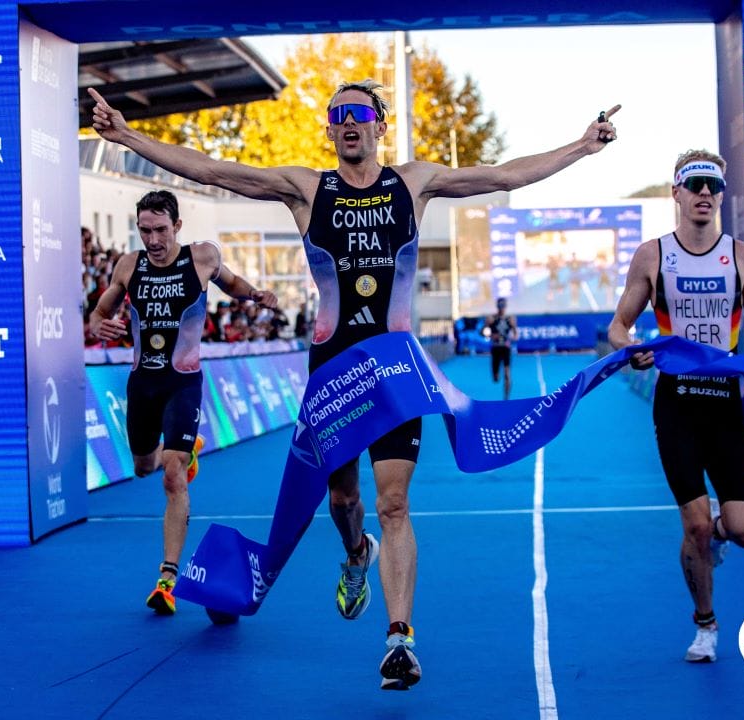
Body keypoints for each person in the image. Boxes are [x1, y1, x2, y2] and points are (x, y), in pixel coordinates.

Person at [90, 81, 619, 689]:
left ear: (379, 126)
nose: (349, 124)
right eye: (338, 116)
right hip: (333, 372)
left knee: (394, 501)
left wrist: (580, 147)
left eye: (360, 114)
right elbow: (215, 168)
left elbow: (500, 176)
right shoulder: (308, 189)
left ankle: (399, 640)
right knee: (343, 500)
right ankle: (354, 554)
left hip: (395, 370)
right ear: (329, 130)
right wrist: (126, 135)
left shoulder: (412, 183)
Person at [607, 149, 744, 664]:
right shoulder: (653, 255)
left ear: (721, 195)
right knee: (696, 525)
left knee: (742, 530)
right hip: (676, 403)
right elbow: (619, 326)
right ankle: (705, 624)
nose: (705, 193)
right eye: (695, 184)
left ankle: (719, 538)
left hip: (725, 402)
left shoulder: (742, 256)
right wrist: (630, 349)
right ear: (677, 193)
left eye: (714, 186)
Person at [87, 189, 276, 616]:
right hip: (142, 384)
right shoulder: (128, 265)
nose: (152, 240)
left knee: (172, 475)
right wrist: (102, 326)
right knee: (144, 467)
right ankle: (184, 452)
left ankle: (167, 578)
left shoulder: (202, 257)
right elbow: (99, 314)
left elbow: (231, 283)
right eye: (144, 230)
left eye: (160, 230)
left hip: (183, 381)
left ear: (177, 226)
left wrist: (257, 295)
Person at [485, 297, 518, 399]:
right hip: (495, 348)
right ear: (497, 306)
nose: (502, 308)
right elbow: (482, 332)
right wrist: (491, 335)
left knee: (507, 373)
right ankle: (495, 374)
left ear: (506, 306)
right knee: (496, 378)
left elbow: (516, 335)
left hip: (506, 348)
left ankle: (506, 399)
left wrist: (513, 337)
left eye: (503, 306)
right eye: (500, 306)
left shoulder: (510, 319)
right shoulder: (491, 319)